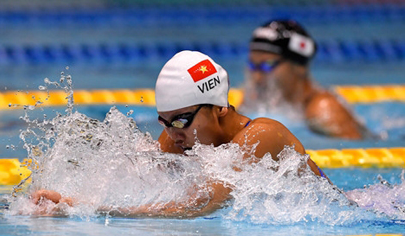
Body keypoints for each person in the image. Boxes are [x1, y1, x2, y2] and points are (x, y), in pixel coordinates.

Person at [31, 50, 331, 217]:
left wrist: (84, 209)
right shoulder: (178, 137)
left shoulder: (263, 135)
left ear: (220, 108)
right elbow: (140, 186)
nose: (172, 134)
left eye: (182, 120)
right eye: (164, 121)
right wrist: (69, 198)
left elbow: (200, 205)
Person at [240, 19, 369, 140]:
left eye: (268, 65)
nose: (257, 76)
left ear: (299, 66)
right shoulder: (257, 99)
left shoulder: (323, 108)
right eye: (252, 65)